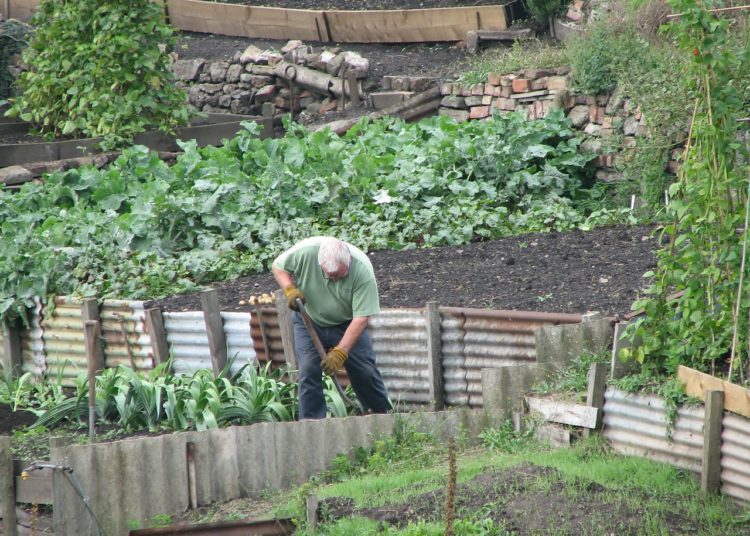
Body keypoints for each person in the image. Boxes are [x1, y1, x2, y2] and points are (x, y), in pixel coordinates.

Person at [272, 236, 393, 419]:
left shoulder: (362, 269)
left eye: (340, 276)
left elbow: (361, 318)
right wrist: (289, 289)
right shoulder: (306, 252)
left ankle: (383, 419)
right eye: (330, 276)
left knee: (365, 371)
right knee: (308, 370)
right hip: (309, 320)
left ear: (348, 262)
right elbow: (278, 266)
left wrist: (340, 353)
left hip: (347, 323)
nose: (335, 281)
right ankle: (311, 426)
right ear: (320, 265)